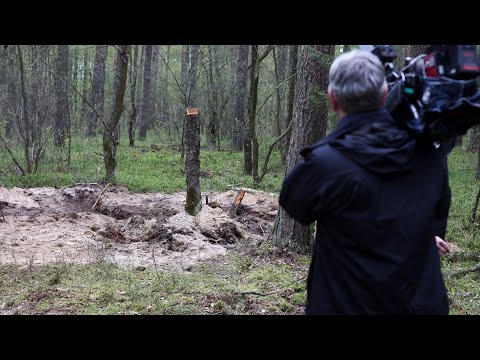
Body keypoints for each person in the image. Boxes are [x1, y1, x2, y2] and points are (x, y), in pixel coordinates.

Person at [279, 49, 452, 315]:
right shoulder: (428, 156)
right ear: (384, 95)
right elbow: (435, 213)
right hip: (419, 305)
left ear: (333, 99)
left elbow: (293, 203)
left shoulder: (325, 164)